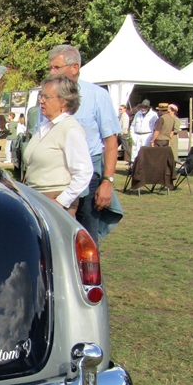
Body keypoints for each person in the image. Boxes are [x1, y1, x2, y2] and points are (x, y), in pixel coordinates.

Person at [46, 44, 121, 242]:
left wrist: (107, 182)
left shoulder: (97, 96)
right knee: (57, 239)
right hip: (55, 177)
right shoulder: (48, 97)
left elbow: (110, 141)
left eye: (56, 67)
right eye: (50, 68)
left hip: (88, 178)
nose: (52, 72)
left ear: (75, 68)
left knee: (86, 239)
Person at [21, 75, 93, 217]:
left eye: (46, 97)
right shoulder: (46, 126)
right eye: (41, 96)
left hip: (55, 202)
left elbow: (84, 172)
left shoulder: (70, 129)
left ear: (63, 101)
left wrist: (61, 201)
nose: (41, 100)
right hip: (36, 197)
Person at [130, 99, 157, 163]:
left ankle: (145, 166)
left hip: (147, 135)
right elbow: (133, 125)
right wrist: (133, 135)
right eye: (142, 107)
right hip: (137, 135)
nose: (143, 109)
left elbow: (155, 127)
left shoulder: (153, 115)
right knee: (135, 152)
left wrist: (152, 137)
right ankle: (133, 166)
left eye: (145, 107)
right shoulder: (138, 114)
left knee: (145, 152)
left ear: (148, 108)